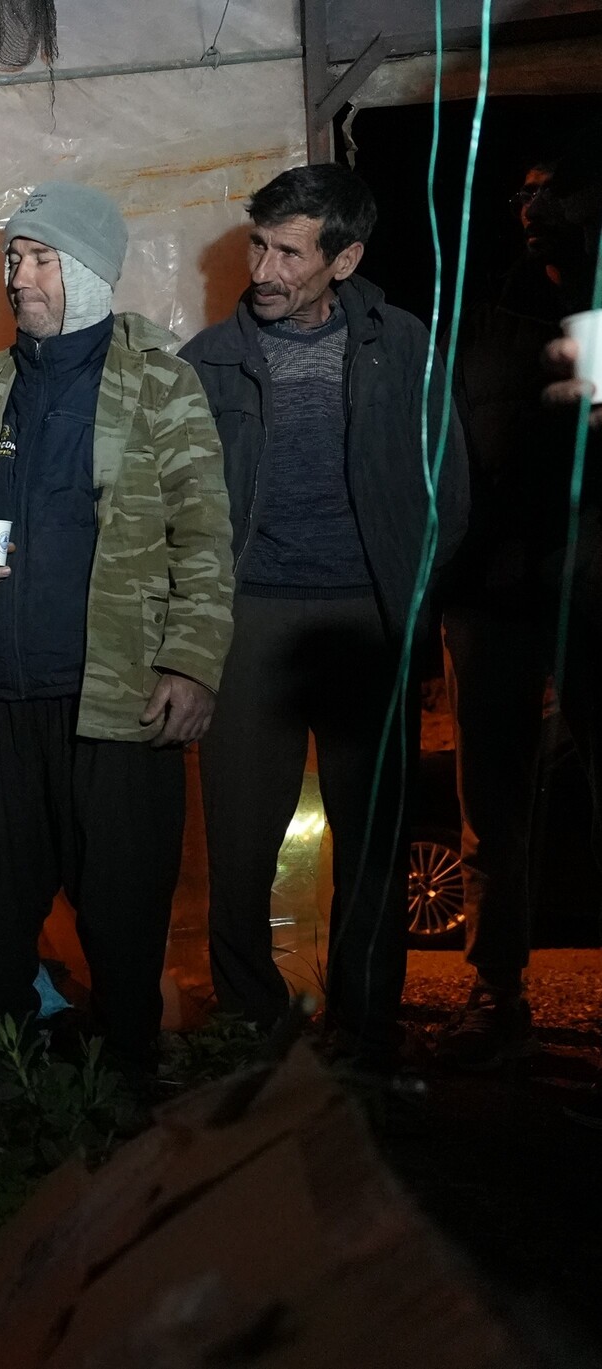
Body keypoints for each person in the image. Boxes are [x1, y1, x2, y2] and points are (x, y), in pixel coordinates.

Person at [0, 182, 233, 1080]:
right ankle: (1, 1080)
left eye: (39, 258)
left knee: (123, 909)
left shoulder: (161, 383)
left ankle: (126, 1079)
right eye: (13, 258)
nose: (18, 277)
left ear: (89, 271)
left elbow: (204, 532)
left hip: (113, 697)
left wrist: (191, 662)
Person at [181, 164, 468, 1069]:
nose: (263, 270)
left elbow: (446, 493)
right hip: (250, 622)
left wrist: (406, 607)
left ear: (344, 258)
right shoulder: (208, 361)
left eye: (289, 252)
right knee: (238, 844)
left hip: (362, 626)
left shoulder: (402, 347)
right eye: (256, 245)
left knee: (373, 845)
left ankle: (366, 1031)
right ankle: (252, 1031)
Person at [441, 151, 602, 1070]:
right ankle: (496, 991)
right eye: (520, 193)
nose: (530, 207)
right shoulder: (484, 322)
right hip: (493, 602)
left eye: (553, 189)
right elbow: (449, 461)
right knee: (491, 804)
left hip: (594, 596)